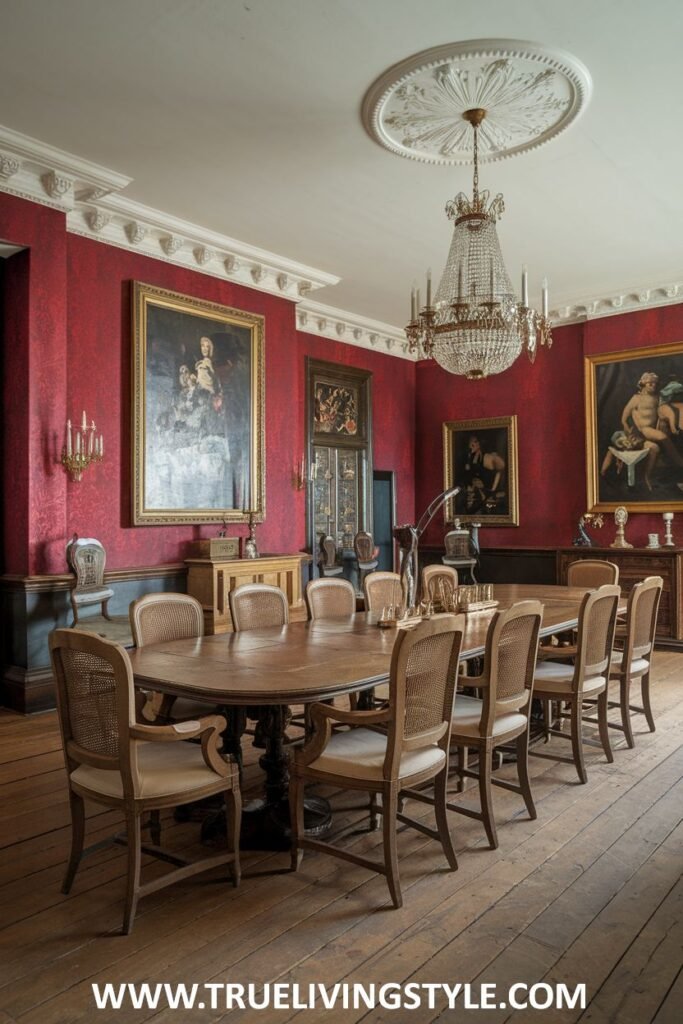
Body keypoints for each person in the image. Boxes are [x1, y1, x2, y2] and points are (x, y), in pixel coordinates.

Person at [463, 434, 506, 514]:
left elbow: (500, 470)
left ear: (479, 444)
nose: (471, 445)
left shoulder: (487, 457)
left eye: (475, 442)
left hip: (485, 494)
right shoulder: (469, 457)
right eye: (470, 443)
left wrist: (493, 490)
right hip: (475, 494)